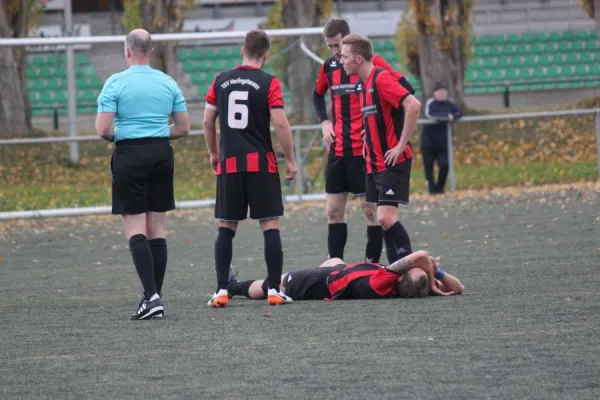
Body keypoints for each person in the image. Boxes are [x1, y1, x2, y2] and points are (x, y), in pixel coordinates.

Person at [95, 29, 190, 320]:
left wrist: (122, 135)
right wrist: (159, 134)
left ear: (127, 51)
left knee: (135, 228)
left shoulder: (115, 83)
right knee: (157, 230)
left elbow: (102, 130)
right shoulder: (167, 82)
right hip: (162, 154)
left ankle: (151, 297)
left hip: (130, 155)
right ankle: (154, 297)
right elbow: (184, 128)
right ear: (150, 51)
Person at [203, 30, 298, 308]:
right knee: (269, 225)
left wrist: (213, 153)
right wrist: (290, 159)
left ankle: (221, 290)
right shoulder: (269, 82)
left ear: (241, 51)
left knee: (226, 226)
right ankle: (273, 290)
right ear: (266, 55)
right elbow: (280, 124)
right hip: (261, 165)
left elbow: (208, 122)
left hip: (230, 164)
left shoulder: (220, 80)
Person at [313, 18, 416, 264]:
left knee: (374, 212)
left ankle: (376, 263)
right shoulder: (329, 66)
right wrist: (324, 122)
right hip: (339, 149)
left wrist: (387, 134)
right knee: (333, 211)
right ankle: (335, 265)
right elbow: (317, 95)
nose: (336, 53)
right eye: (330, 48)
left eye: (339, 47)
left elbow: (407, 94)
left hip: (367, 152)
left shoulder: (373, 67)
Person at [339, 34, 421, 265]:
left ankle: (411, 268)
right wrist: (369, 133)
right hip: (374, 163)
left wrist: (401, 144)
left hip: (392, 162)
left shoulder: (380, 79)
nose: (341, 61)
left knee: (385, 218)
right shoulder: (364, 85)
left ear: (357, 59)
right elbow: (379, 116)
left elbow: (413, 105)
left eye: (344, 57)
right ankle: (396, 270)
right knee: (382, 220)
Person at [227, 250, 464, 301]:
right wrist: (438, 273)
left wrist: (429, 272)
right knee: (334, 260)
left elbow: (420, 254)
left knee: (277, 283)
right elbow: (460, 288)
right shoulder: (416, 285)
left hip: (324, 283)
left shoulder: (383, 281)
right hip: (338, 270)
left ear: (400, 277)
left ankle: (234, 287)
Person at [421, 82, 462, 195]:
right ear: (434, 93)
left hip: (443, 142)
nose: (442, 94)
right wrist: (446, 116)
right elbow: (429, 115)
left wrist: (453, 116)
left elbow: (459, 112)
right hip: (428, 141)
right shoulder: (430, 103)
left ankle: (440, 188)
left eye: (444, 91)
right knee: (428, 166)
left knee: (444, 165)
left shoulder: (450, 103)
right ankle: (431, 188)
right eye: (439, 92)